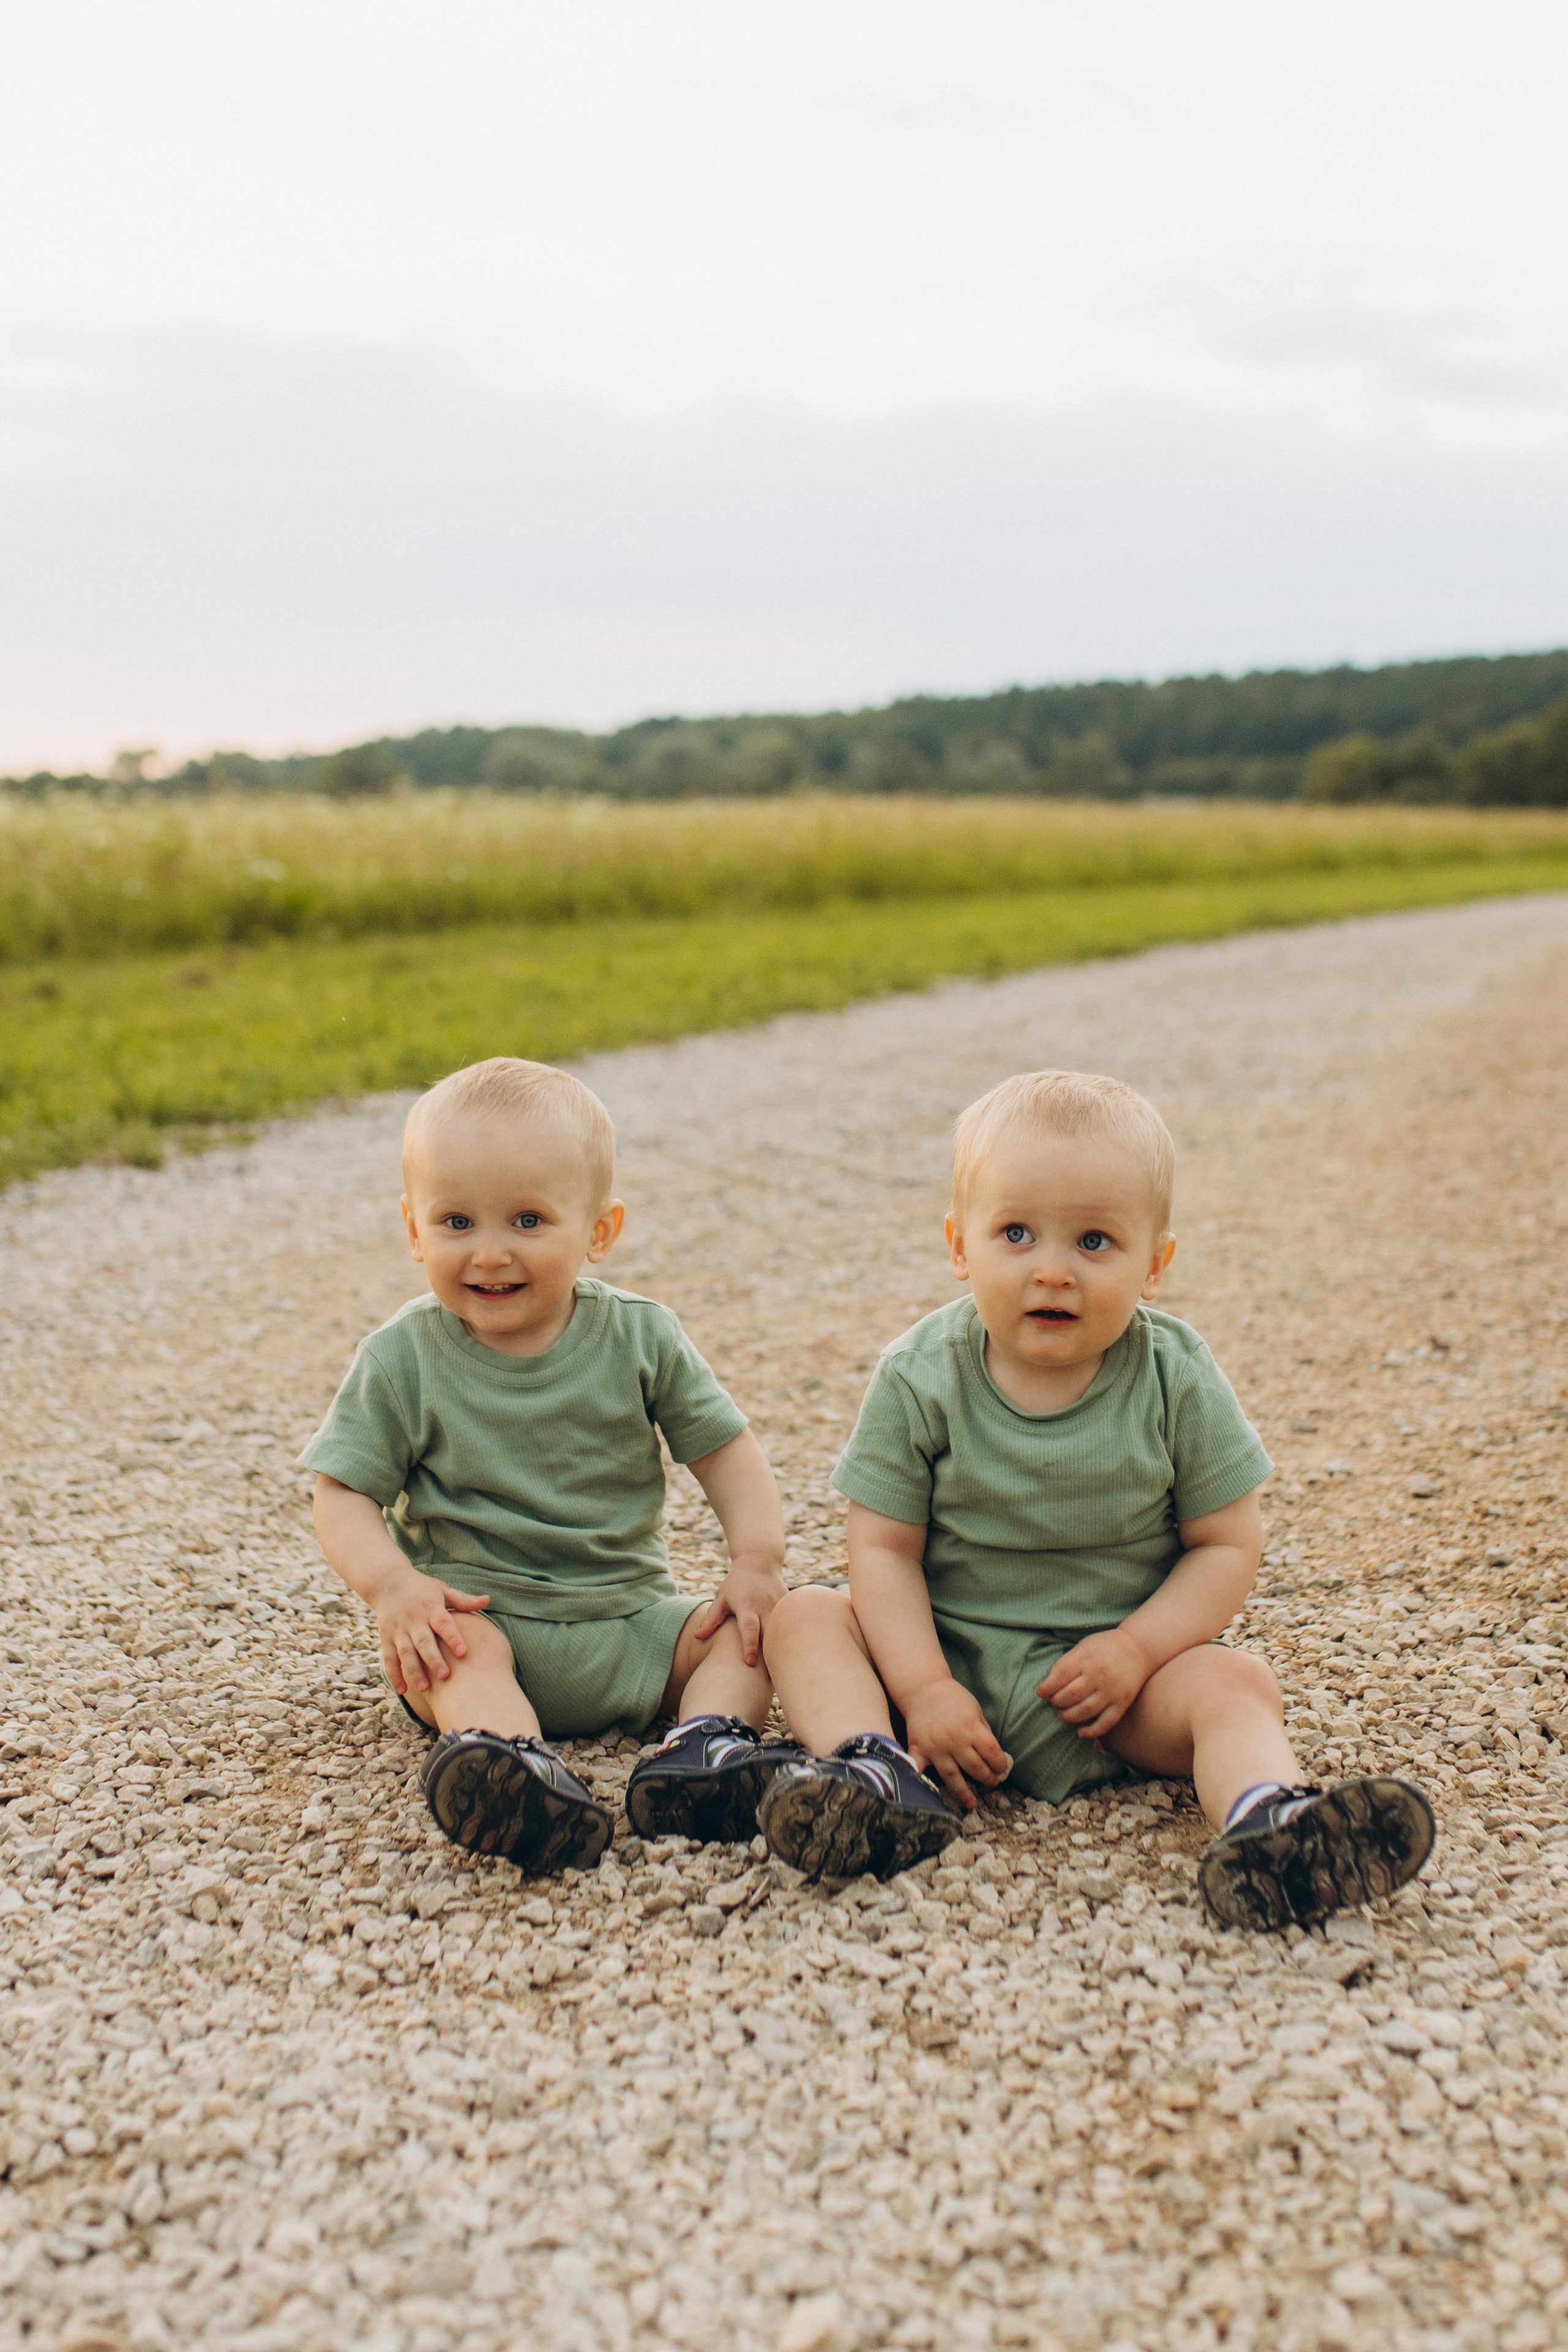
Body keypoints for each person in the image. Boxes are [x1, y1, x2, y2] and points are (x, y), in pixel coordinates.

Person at [760, 1068, 1434, 1929]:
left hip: (1112, 1696)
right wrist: (924, 1688)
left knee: (1234, 1682)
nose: (1052, 1272)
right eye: (1016, 1234)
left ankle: (1273, 1820)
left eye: (1094, 1243)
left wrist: (1136, 1648)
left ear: (1155, 1265)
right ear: (959, 1246)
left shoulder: (1174, 1375)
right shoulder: (921, 1374)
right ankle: (874, 1772)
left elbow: (1227, 1543)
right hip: (943, 1665)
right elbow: (883, 1548)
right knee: (805, 1617)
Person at [300, 1056, 801, 1876]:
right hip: (482, 1622)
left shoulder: (639, 1336)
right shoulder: (402, 1357)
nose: (489, 1253)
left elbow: (725, 1451)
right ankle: (511, 1765)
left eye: (527, 1222)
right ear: (413, 1228)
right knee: (455, 1651)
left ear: (599, 1231)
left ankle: (702, 1751)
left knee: (748, 1639)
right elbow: (343, 1490)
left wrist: (757, 1562)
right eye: (456, 1223)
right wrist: (393, 1586)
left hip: (632, 1623)